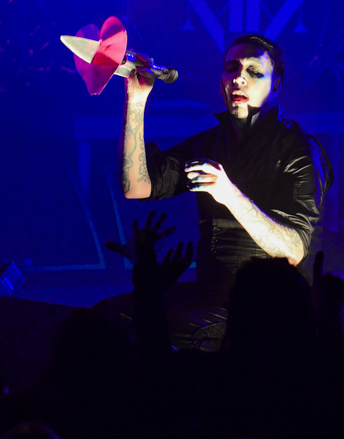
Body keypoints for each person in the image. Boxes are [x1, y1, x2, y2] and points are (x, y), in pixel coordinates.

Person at [117, 34, 332, 344]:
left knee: (155, 335)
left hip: (270, 309)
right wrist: (136, 100)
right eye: (231, 68)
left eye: (254, 71)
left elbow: (295, 249)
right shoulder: (208, 143)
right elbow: (136, 186)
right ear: (221, 82)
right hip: (211, 296)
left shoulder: (298, 150)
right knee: (109, 319)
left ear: (275, 86)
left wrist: (228, 192)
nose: (239, 78)